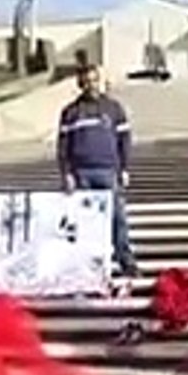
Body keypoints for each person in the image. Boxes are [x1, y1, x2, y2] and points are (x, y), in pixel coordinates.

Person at [57, 62, 139, 278]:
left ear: (99, 81)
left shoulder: (114, 109)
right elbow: (63, 147)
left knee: (117, 219)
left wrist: (125, 168)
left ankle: (126, 261)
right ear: (80, 84)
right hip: (81, 174)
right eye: (86, 82)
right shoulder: (70, 112)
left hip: (108, 171)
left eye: (94, 80)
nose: (91, 85)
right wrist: (66, 173)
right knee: (86, 222)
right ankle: (90, 265)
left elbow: (125, 140)